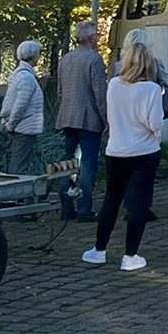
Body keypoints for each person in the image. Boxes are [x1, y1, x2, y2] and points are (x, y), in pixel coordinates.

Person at [82, 42, 164, 272]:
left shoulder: (114, 85)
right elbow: (155, 124)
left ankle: (99, 250)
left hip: (116, 150)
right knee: (139, 201)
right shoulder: (152, 89)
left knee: (111, 198)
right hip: (145, 151)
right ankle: (130, 255)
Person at [57, 21, 108, 221]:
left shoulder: (65, 59)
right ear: (92, 38)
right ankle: (85, 208)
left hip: (67, 116)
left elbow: (60, 92)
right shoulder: (94, 60)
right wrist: (105, 118)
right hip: (88, 119)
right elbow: (99, 93)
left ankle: (66, 206)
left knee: (67, 161)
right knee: (88, 163)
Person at [0, 40, 45, 174]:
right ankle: (18, 193)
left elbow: (9, 101)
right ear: (32, 55)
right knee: (19, 164)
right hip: (24, 127)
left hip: (20, 126)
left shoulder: (19, 74)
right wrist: (10, 125)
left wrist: (6, 121)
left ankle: (19, 193)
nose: (39, 56)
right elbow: (20, 105)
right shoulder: (26, 77)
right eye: (38, 53)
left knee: (18, 161)